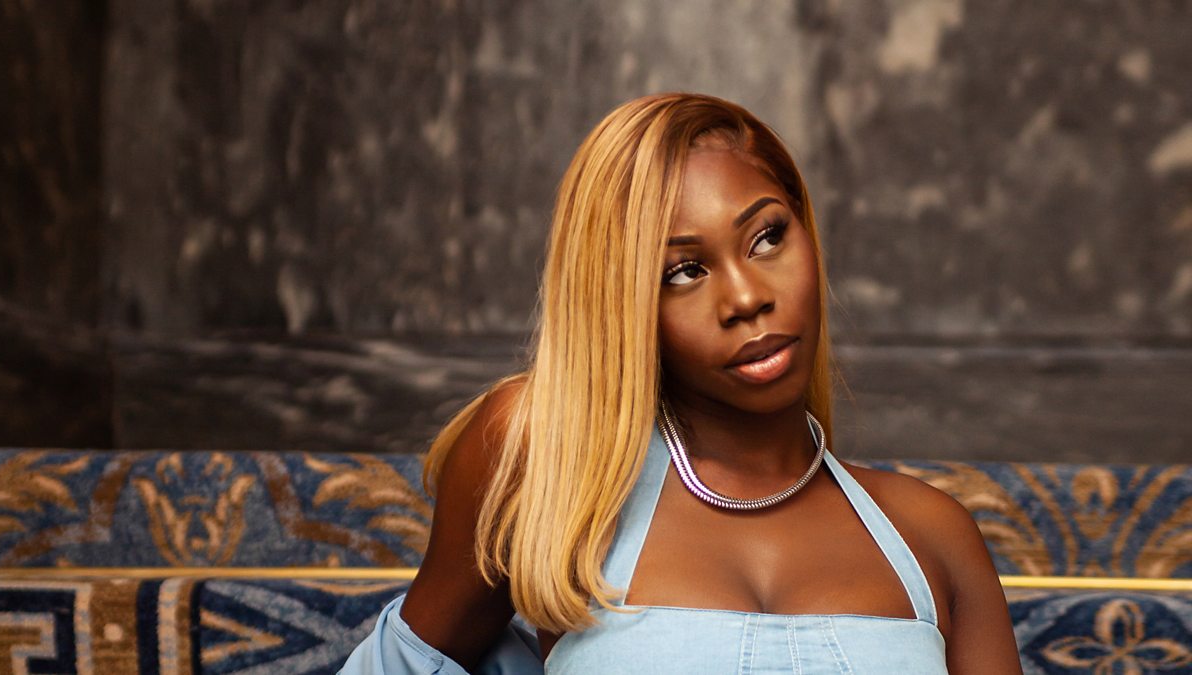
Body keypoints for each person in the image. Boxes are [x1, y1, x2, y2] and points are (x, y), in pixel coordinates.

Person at [340, 92, 1022, 674]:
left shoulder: (933, 537)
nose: (747, 297)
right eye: (684, 272)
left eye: (766, 238)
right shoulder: (547, 458)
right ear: (621, 301)